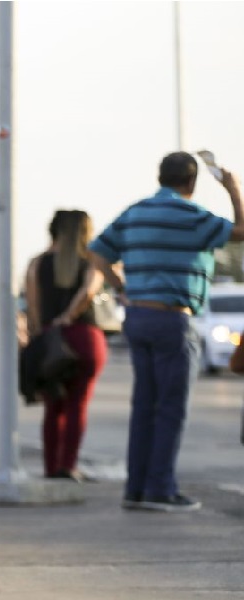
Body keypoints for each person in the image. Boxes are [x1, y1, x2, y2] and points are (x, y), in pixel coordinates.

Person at [89, 151, 244, 512]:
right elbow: (241, 232)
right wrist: (233, 188)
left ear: (160, 177)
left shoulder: (136, 212)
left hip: (138, 318)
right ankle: (160, 488)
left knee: (144, 404)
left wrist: (121, 288)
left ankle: (136, 488)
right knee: (171, 407)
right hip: (173, 319)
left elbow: (97, 253)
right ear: (191, 182)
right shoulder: (192, 216)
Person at [25, 210, 107, 481]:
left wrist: (43, 332)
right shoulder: (92, 262)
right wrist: (70, 315)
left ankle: (51, 468)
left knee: (53, 407)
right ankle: (68, 465)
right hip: (85, 338)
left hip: (51, 340)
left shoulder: (37, 263)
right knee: (77, 404)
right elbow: (90, 291)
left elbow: (33, 310)